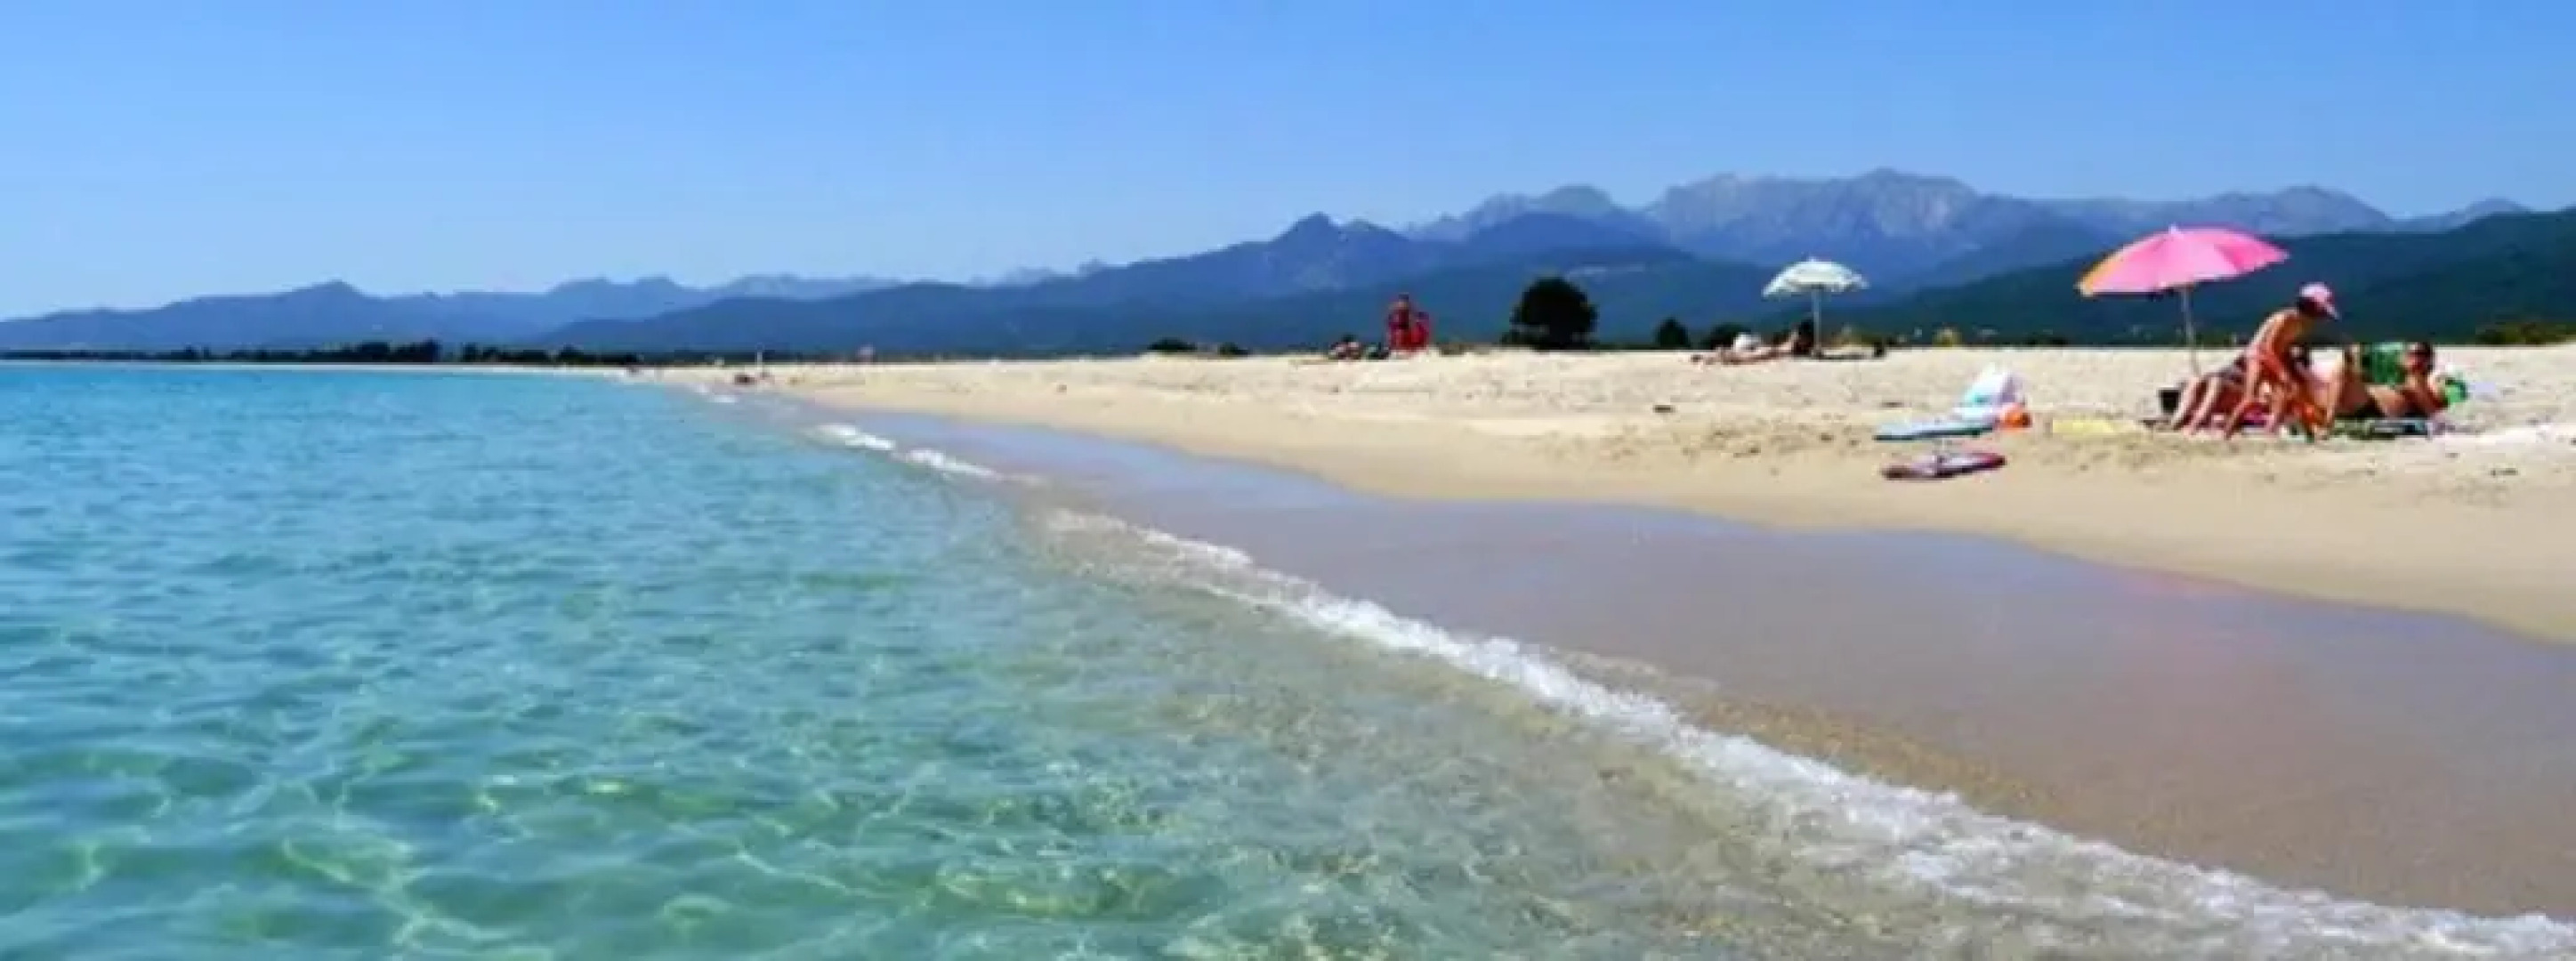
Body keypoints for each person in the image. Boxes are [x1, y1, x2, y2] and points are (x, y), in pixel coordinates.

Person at [2214, 283, 2339, 437]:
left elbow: (2282, 347)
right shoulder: (2285, 318)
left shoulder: (2303, 323)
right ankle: (2226, 435)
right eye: (2321, 310)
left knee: (2290, 393)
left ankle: (2299, 434)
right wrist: (2282, 372)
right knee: (2250, 398)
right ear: (2311, 306)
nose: (2322, 316)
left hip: (2272, 357)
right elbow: (2267, 347)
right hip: (2257, 356)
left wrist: (2289, 369)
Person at [2322, 340, 2452, 421]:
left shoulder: (2432, 379)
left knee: (2342, 370)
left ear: (2430, 359)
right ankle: (2327, 418)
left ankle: (2328, 421)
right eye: (2409, 353)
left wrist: (2414, 380)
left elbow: (2435, 408)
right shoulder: (2398, 375)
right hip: (2366, 400)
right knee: (2342, 368)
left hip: (2373, 409)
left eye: (2419, 354)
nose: (2413, 358)